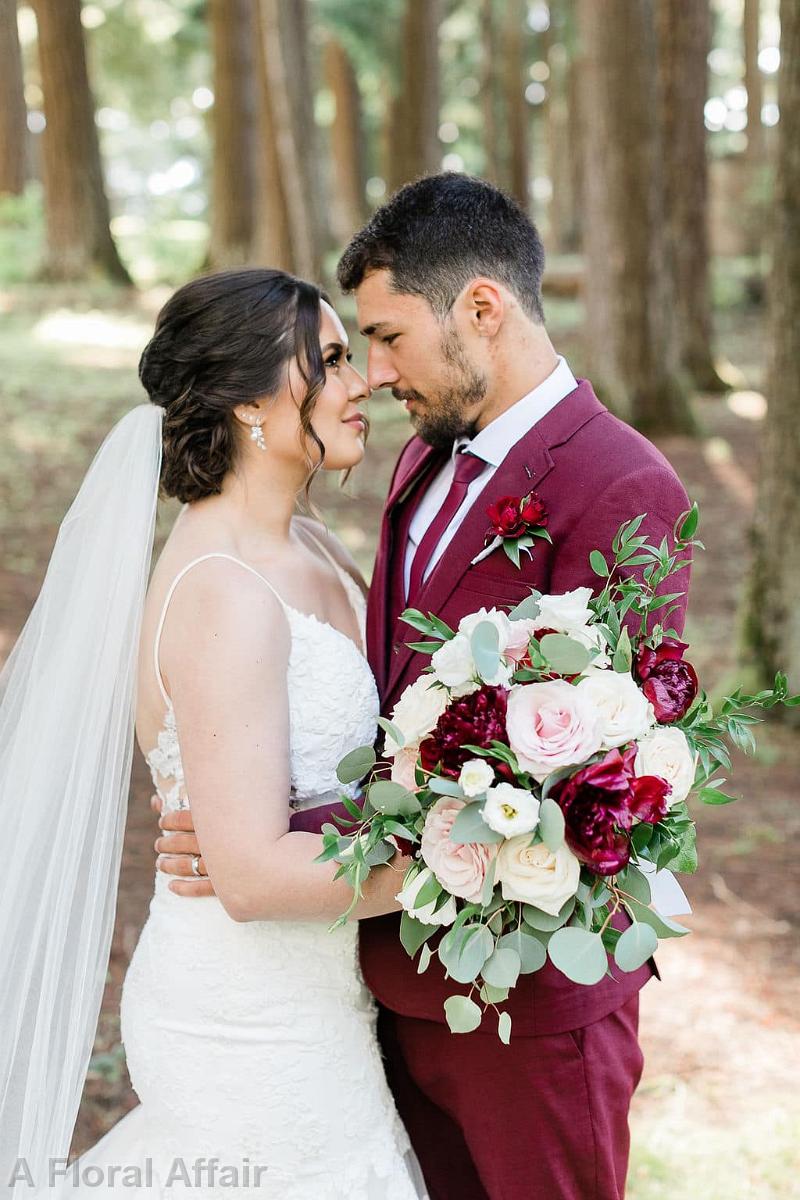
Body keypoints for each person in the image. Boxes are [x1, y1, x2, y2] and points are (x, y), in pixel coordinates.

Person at [159, 175, 692, 1200]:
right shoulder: (419, 462)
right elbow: (395, 714)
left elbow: (605, 788)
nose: (372, 374)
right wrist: (263, 821)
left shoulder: (621, 488)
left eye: (388, 337)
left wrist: (285, 848)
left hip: (527, 1008)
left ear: (480, 311)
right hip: (384, 989)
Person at [0, 268, 427, 1200]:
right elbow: (251, 877)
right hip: (246, 1019)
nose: (364, 385)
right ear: (247, 403)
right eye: (331, 362)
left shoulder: (313, 546)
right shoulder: (221, 592)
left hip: (322, 995)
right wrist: (477, 872)